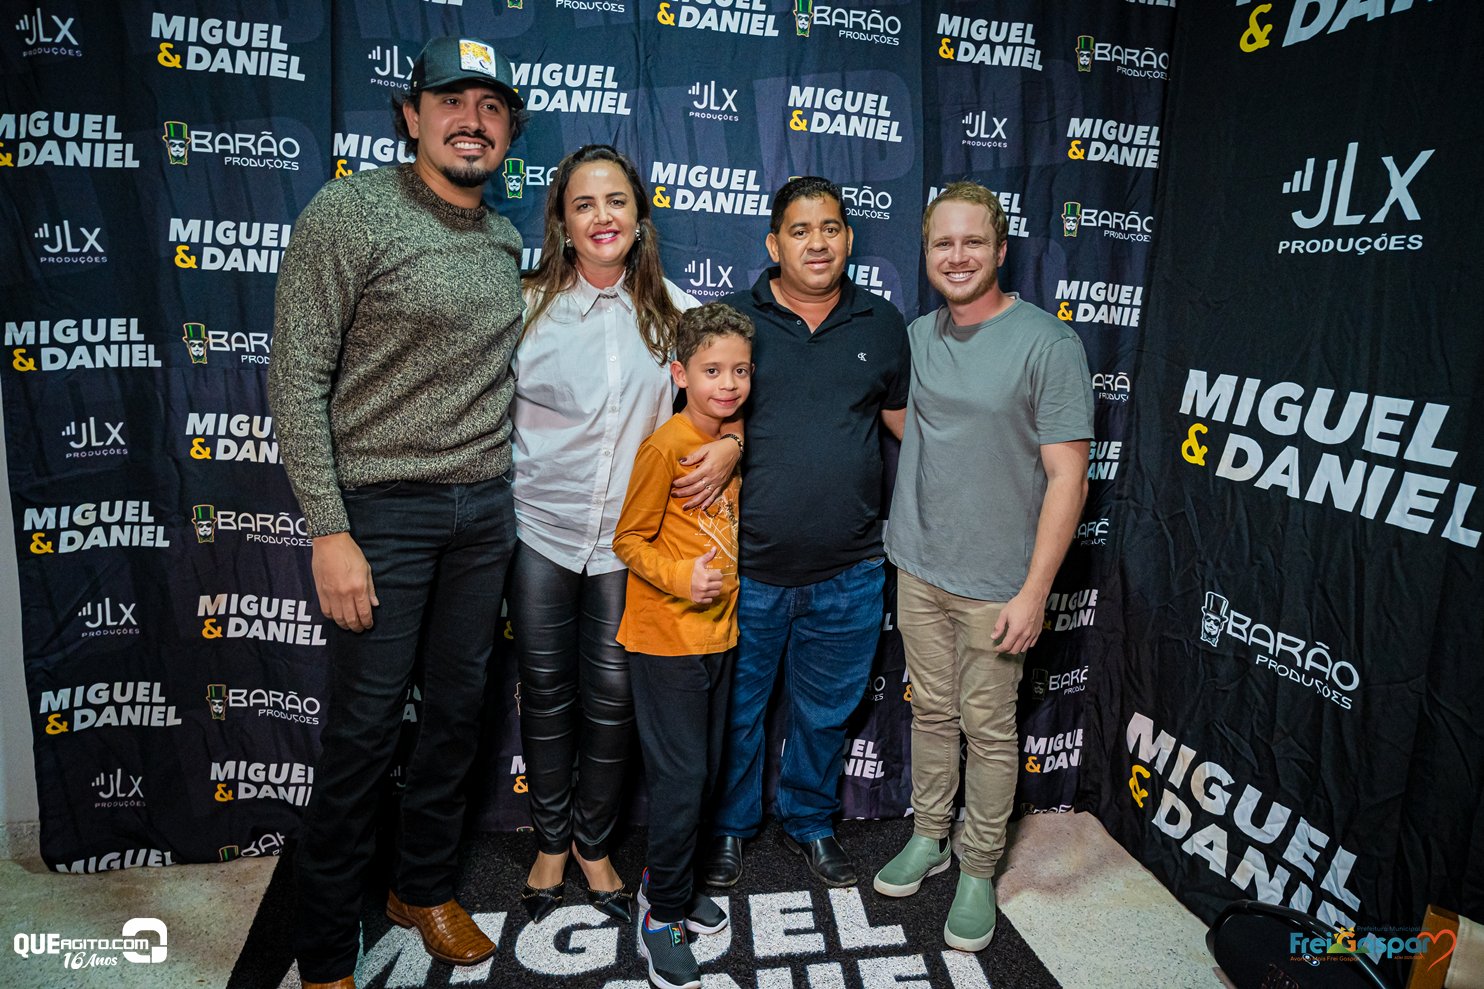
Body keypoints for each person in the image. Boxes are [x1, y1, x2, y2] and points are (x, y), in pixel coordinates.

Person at [267, 36, 528, 989]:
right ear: (412, 115)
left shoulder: (505, 241)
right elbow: (296, 374)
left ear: (509, 131)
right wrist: (329, 528)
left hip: (484, 513)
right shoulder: (350, 212)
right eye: (451, 101)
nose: (472, 120)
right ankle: (324, 951)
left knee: (456, 717)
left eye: (491, 106)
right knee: (365, 733)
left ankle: (420, 887)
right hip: (381, 513)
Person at [511, 145, 741, 924]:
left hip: (627, 544)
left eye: (616, 201)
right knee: (546, 692)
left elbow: (726, 394)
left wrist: (732, 444)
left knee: (613, 697)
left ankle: (592, 842)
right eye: (584, 204)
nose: (602, 216)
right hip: (540, 530)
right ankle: (549, 842)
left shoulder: (675, 310)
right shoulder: (527, 305)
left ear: (640, 216)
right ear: (562, 222)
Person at [871, 181, 1092, 952]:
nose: (957, 256)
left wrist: (1035, 591)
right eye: (943, 243)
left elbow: (1069, 476)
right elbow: (905, 414)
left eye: (973, 241)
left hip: (999, 584)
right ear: (926, 253)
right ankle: (930, 833)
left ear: (1000, 249)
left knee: (990, 729)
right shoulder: (916, 336)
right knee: (931, 712)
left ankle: (977, 864)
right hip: (919, 565)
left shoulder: (1048, 344)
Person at [706, 176, 909, 889]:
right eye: (800, 230)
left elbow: (910, 431)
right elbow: (695, 423)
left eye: (830, 228)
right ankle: (729, 828)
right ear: (774, 244)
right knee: (736, 714)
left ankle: (810, 820)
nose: (817, 243)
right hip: (747, 569)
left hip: (850, 570)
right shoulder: (733, 321)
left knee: (825, 714)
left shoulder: (882, 323)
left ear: (849, 238)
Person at [614, 303, 753, 989]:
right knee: (681, 781)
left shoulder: (727, 436)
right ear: (679, 374)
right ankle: (661, 915)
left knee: (707, 772)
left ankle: (669, 880)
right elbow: (627, 539)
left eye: (740, 371)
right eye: (711, 370)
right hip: (666, 639)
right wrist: (679, 576)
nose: (728, 384)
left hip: (718, 635)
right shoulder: (664, 447)